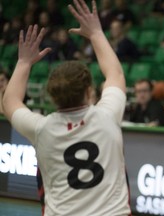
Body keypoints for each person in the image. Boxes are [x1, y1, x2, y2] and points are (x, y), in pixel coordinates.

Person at [2, 1, 131, 216]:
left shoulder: (42, 128)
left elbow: (10, 103)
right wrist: (97, 33)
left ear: (52, 96)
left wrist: (24, 62)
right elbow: (115, 74)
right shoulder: (107, 116)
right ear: (89, 91)